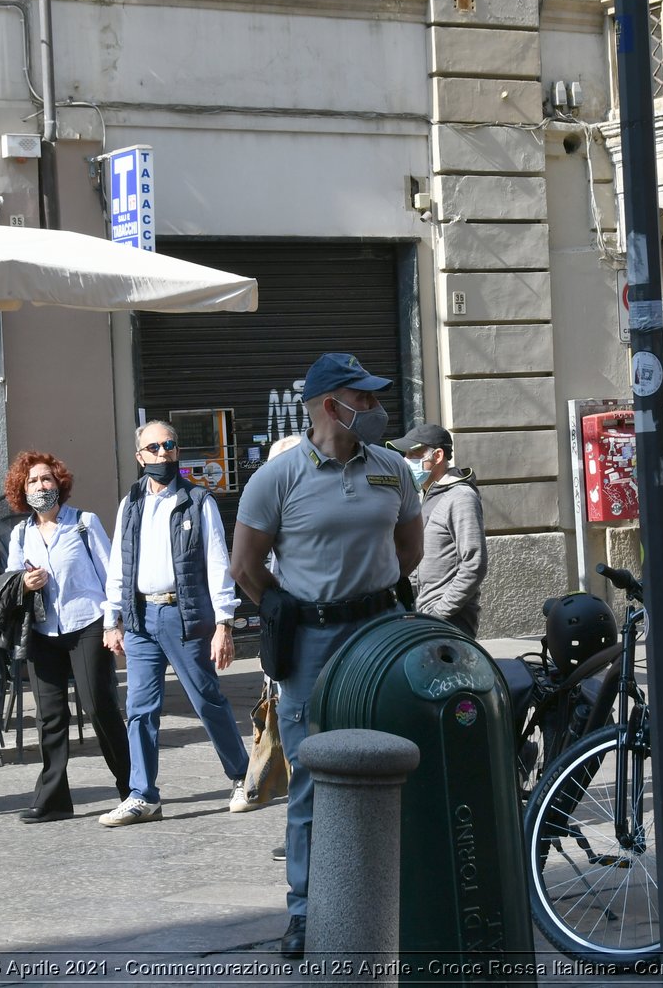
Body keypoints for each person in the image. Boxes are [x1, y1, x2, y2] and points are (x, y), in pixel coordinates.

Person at [229, 352, 423, 960]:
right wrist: (291, 608)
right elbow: (244, 567)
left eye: (371, 398)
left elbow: (408, 552)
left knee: (400, 757)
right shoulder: (277, 478)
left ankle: (403, 896)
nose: (373, 408)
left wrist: (369, 595)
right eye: (361, 398)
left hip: (382, 632)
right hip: (312, 643)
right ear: (325, 404)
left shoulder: (393, 469)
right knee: (312, 775)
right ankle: (306, 913)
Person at [102, 420, 249, 827]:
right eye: (154, 448)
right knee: (139, 709)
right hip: (140, 617)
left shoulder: (198, 500)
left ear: (177, 452)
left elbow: (219, 561)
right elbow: (118, 562)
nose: (163, 453)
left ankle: (241, 775)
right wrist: (110, 618)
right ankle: (142, 795)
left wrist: (225, 623)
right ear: (140, 456)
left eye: (169, 445)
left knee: (206, 698)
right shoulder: (131, 502)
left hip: (182, 615)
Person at [2, 450, 130, 823]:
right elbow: (12, 579)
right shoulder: (20, 533)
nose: (40, 486)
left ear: (59, 484)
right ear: (21, 491)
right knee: (50, 716)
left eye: (46, 479)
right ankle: (53, 798)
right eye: (32, 481)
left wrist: (112, 623)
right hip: (43, 630)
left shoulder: (84, 523)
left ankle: (131, 787)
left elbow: (111, 575)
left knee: (99, 706)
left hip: (87, 623)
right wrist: (25, 583)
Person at [389, 422, 486, 636]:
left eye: (414, 454)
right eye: (405, 455)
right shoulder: (428, 496)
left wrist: (440, 612)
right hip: (425, 618)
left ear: (438, 456)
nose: (406, 461)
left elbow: (474, 564)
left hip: (450, 622)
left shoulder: (460, 497)